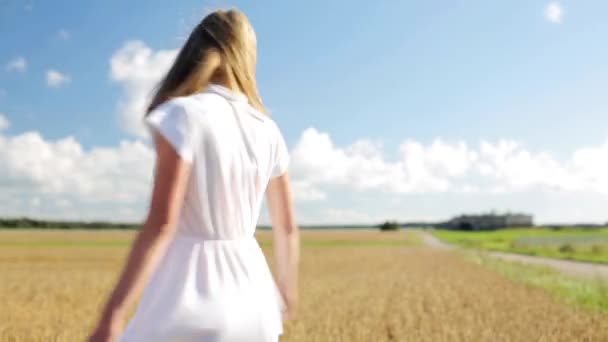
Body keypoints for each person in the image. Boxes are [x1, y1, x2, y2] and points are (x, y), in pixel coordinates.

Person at [88, 9, 299, 342]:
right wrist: (286, 291)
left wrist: (112, 315)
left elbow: (162, 222)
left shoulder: (182, 114)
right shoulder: (268, 129)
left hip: (189, 294)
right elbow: (286, 228)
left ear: (196, 50)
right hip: (255, 299)